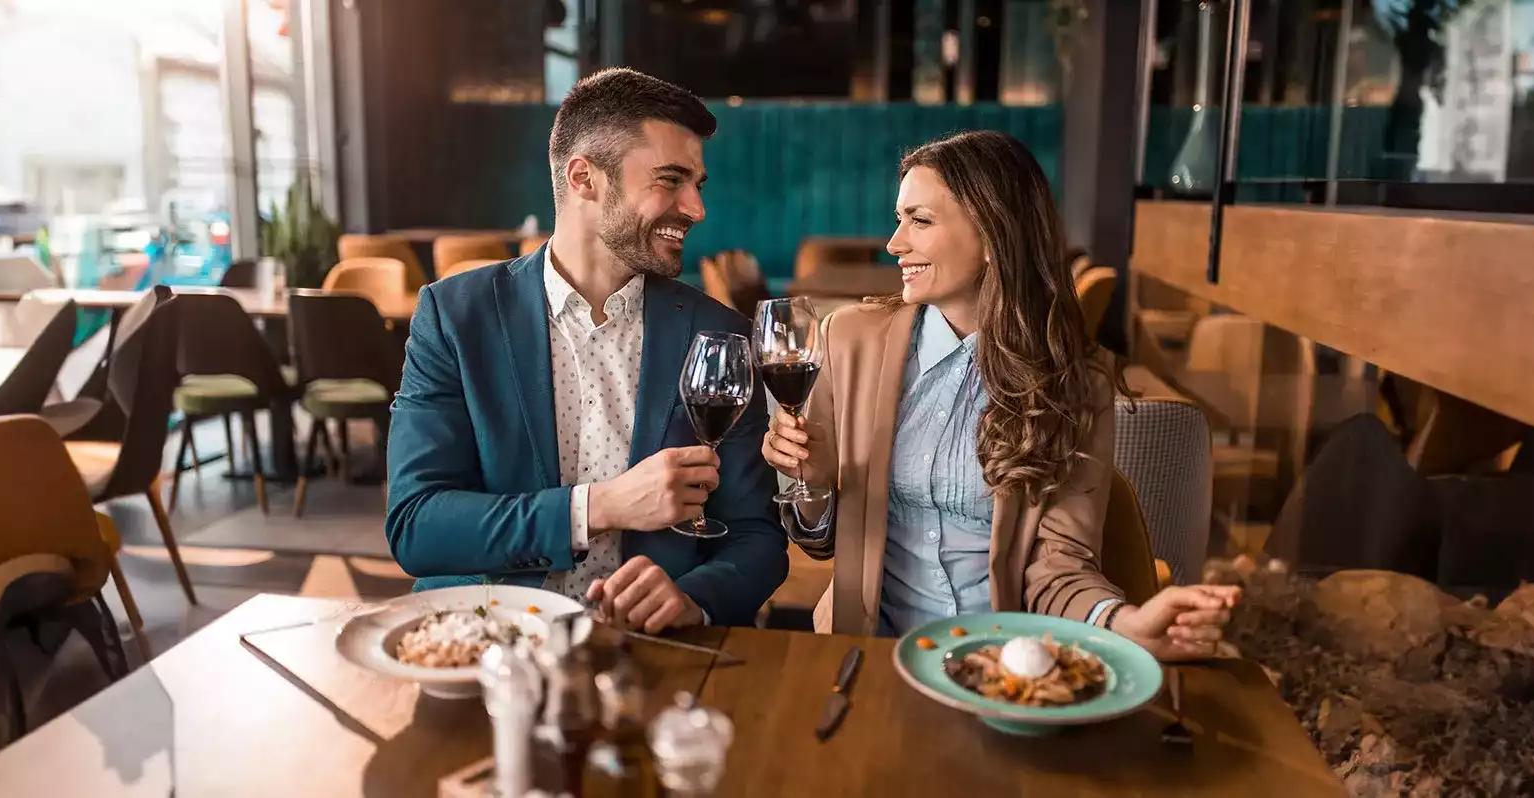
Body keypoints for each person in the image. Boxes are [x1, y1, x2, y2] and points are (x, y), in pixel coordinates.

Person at [762, 131, 1237, 660]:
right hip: (867, 656)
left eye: (919, 221)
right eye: (900, 219)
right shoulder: (847, 340)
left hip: (1002, 666)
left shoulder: (1075, 384)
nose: (895, 243)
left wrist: (1126, 624)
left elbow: (1060, 565)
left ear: (993, 235)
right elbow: (821, 541)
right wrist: (816, 483)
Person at [386, 68, 787, 632]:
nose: (695, 208)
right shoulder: (454, 317)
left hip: (653, 653)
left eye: (698, 184)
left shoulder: (721, 334)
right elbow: (416, 527)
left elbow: (757, 537)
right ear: (584, 178)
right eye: (671, 180)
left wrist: (692, 597)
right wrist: (597, 507)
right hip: (485, 646)